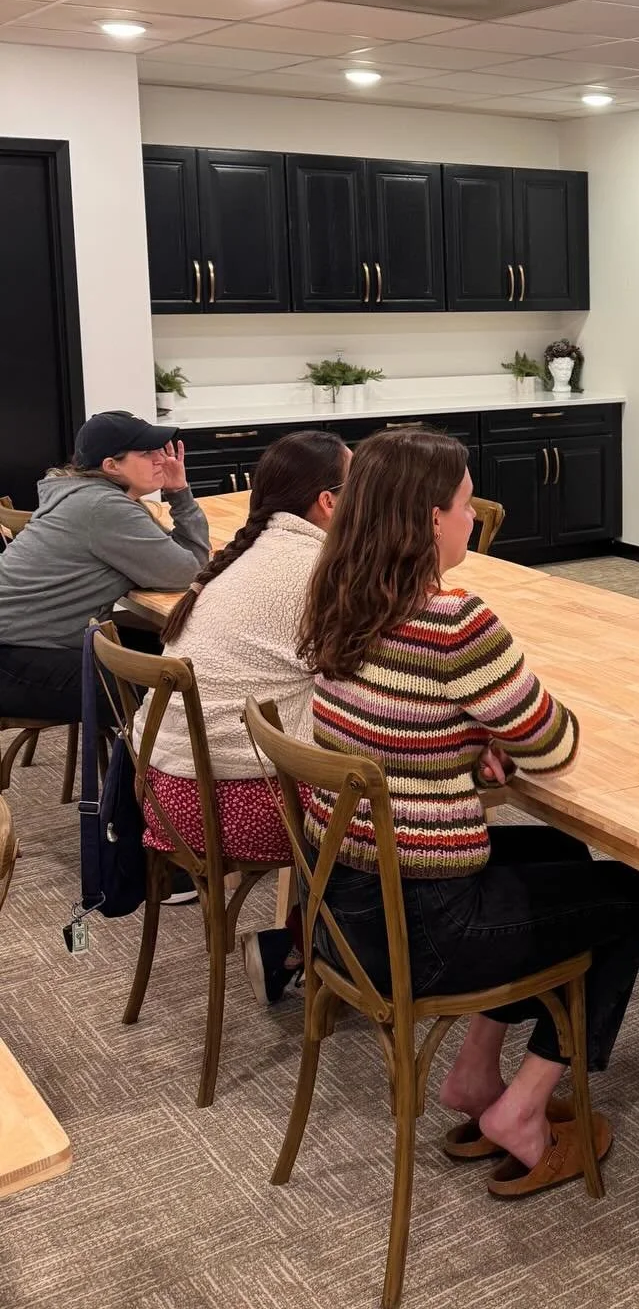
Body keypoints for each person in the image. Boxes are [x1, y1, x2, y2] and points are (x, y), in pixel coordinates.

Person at [297, 428, 639, 1195]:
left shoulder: (339, 598)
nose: (473, 519)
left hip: (344, 906)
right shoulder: (452, 621)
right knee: (638, 897)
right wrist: (490, 729)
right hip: (423, 928)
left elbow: (392, 722)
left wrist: (462, 740)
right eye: (466, 505)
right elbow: (553, 742)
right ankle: (524, 1110)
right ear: (430, 520)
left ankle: (472, 1075)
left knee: (562, 859)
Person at [138, 430, 350, 1006]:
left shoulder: (250, 555)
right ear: (328, 502)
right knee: (385, 799)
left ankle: (306, 947)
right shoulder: (317, 570)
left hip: (168, 791)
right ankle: (316, 953)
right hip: (228, 804)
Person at [0, 411, 209, 724]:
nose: (161, 460)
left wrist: (176, 491)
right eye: (147, 453)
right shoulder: (103, 508)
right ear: (111, 466)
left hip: (33, 642)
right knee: (172, 698)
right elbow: (189, 571)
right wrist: (180, 494)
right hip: (17, 657)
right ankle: (139, 773)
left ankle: (138, 767)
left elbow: (177, 561)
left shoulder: (88, 496)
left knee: (177, 658)